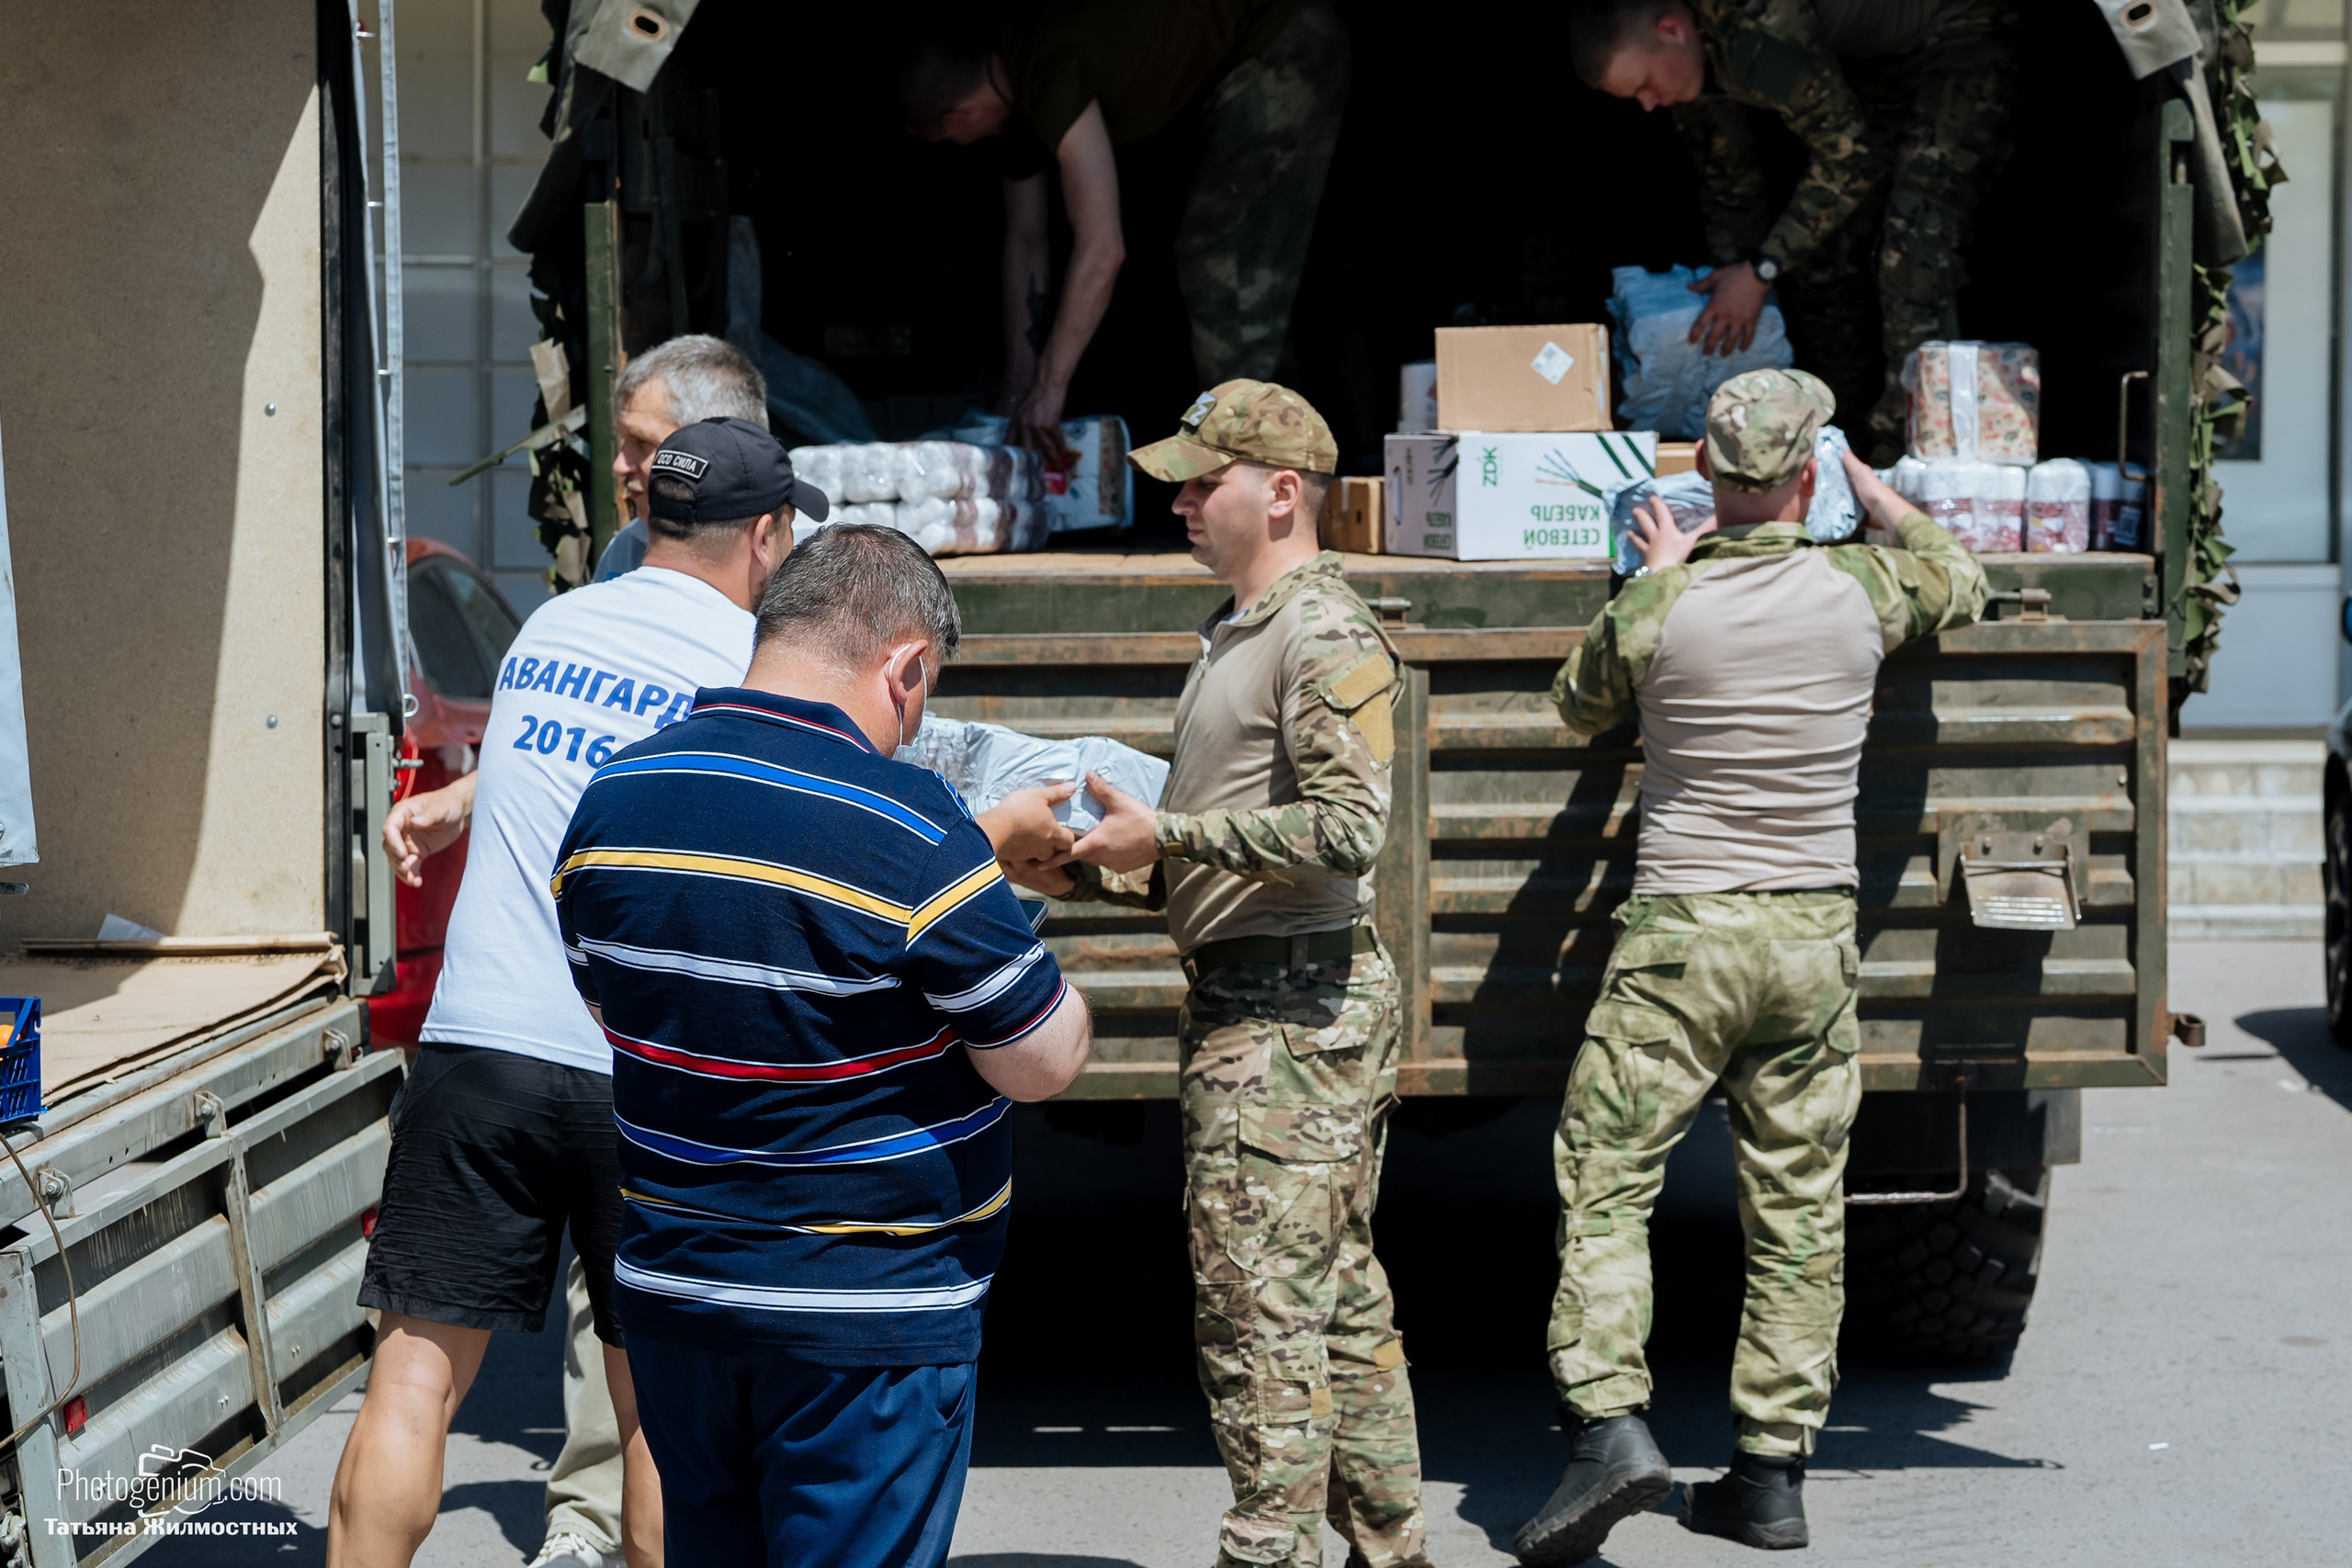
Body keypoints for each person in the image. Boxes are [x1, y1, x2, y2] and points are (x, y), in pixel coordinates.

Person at [346, 420, 1073, 1568]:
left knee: (415, 1379)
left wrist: (453, 804)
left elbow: (559, 777)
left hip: (480, 1040)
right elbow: (813, 851)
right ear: (771, 536)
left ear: (645, 514)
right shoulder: (748, 660)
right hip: (631, 1066)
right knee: (655, 1423)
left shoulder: (553, 625)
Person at [1511, 369, 1988, 1563]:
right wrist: (1885, 500)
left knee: (1610, 1178)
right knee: (1796, 1208)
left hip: (1683, 936)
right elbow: (1963, 578)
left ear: (1706, 478)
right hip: (1813, 941)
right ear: (1811, 476)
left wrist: (1662, 569)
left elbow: (1576, 706)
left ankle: (1608, 1430)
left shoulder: (1661, 605)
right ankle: (1769, 1478)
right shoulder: (1865, 588)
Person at [549, 522, 1093, 1566]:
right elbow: (1039, 1060)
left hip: (679, 1306)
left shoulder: (613, 797)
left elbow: (615, 1010)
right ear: (906, 667)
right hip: (861, 1325)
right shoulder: (911, 824)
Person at [1035, 381, 1430, 1568]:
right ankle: (1394, 1542)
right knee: (1338, 1297)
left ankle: (1268, 1548)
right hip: (1263, 1000)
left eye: (1207, 480)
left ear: (1284, 493)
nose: (1184, 498)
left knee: (1259, 1311)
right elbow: (1237, 843)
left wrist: (1170, 837)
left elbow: (1350, 830)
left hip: (1290, 1017)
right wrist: (1105, 869)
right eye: (1185, 479)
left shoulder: (1321, 632)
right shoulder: (1243, 630)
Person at [1568, 0, 2019, 462]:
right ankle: (1843, 443)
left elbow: (1849, 160)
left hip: (1963, 31)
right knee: (1826, 254)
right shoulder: (1687, 72)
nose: (1647, 104)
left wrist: (1760, 271)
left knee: (1914, 244)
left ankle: (1921, 458)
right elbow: (1731, 187)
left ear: (1672, 29)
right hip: (1883, 67)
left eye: (1645, 85)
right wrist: (1731, 288)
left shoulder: (1758, 32)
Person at [901, 2, 1350, 448]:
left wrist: (1052, 386)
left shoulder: (1043, 66)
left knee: (1221, 261)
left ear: (957, 120)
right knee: (1238, 268)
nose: (958, 148)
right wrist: (1021, 387)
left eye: (946, 142)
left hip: (1282, 41)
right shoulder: (1015, 113)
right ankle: (1269, 444)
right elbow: (1025, 243)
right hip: (1243, 63)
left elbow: (1103, 246)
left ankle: (1249, 458)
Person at [597, 333, 771, 582]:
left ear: (719, 445)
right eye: (624, 440)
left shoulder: (813, 560)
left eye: (643, 442)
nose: (619, 465)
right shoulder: (627, 547)